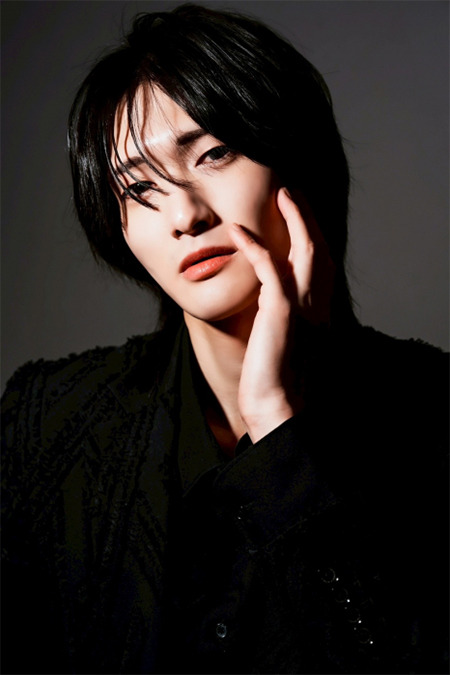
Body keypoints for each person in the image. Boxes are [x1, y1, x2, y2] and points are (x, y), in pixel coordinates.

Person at [1, 4, 448, 674]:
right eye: (138, 186)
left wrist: (275, 426)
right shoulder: (45, 425)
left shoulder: (434, 413)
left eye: (213, 153)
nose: (184, 214)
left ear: (297, 161)